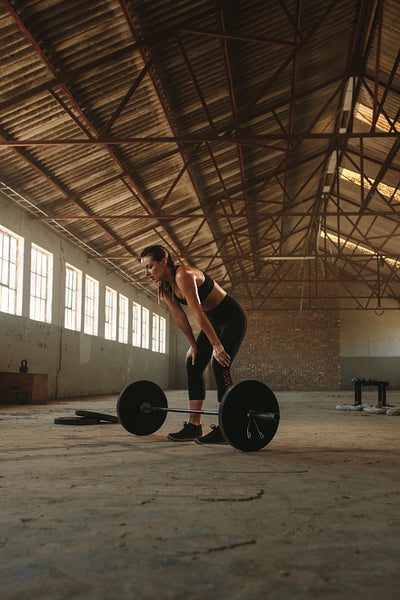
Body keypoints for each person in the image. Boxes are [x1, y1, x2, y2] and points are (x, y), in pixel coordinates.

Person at [140, 245, 247, 445]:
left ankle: (227, 426)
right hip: (213, 321)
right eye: (144, 268)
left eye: (150, 267)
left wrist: (216, 345)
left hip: (231, 319)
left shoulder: (183, 275)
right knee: (194, 364)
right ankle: (194, 425)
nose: (147, 273)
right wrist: (193, 346)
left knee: (219, 364)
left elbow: (197, 311)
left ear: (164, 261)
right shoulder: (165, 286)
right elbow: (180, 316)